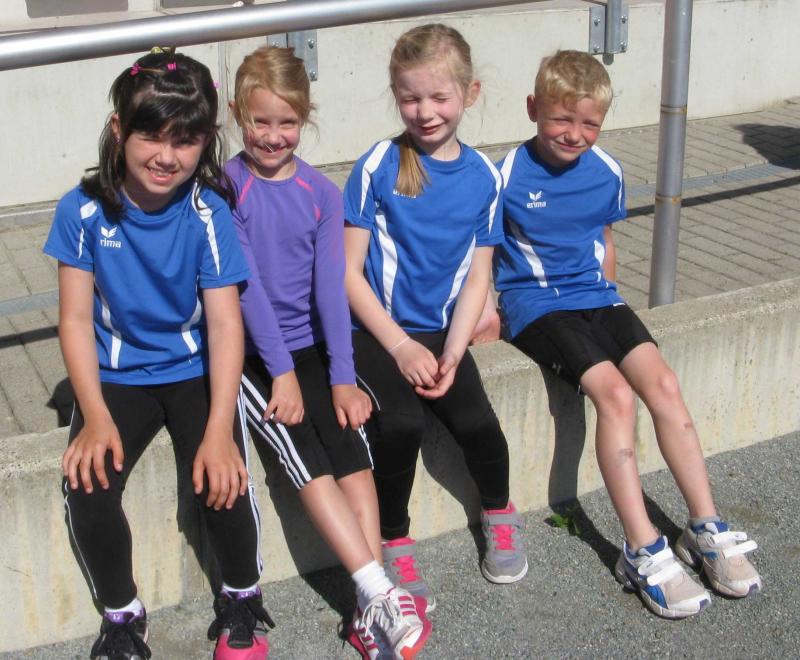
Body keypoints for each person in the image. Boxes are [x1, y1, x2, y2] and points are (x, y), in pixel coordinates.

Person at [491, 49, 761, 619]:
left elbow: (605, 240)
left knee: (662, 384)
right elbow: (481, 253)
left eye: (589, 123)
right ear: (533, 108)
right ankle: (642, 548)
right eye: (561, 119)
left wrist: (611, 303)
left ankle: (704, 526)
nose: (575, 134)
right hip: (536, 305)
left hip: (596, 297)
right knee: (614, 394)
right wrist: (485, 316)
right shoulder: (505, 175)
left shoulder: (608, 171)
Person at [43, 50, 273, 660]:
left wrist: (219, 430)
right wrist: (94, 416)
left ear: (205, 142)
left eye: (186, 140)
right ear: (119, 128)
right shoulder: (81, 210)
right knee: (87, 486)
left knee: (224, 479)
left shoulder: (208, 212)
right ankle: (122, 615)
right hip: (117, 377)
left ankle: (241, 596)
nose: (166, 156)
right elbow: (74, 320)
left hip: (194, 370)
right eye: (151, 135)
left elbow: (224, 324)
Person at [226, 46, 430, 659]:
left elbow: (329, 291)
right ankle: (378, 590)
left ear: (306, 118)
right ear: (238, 115)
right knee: (306, 457)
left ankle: (371, 609)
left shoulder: (319, 191)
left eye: (287, 122)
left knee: (352, 449)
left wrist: (343, 376)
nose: (273, 136)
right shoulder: (227, 187)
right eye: (260, 121)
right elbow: (246, 290)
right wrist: (282, 374)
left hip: (311, 345)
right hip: (254, 355)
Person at [343, 23, 529, 612]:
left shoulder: (483, 178)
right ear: (396, 96)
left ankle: (499, 512)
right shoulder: (377, 165)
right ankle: (394, 538)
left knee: (477, 423)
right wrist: (401, 347)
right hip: (376, 330)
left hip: (442, 332)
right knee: (400, 425)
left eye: (439, 97)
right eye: (410, 98)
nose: (425, 112)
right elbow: (347, 275)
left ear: (470, 93)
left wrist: (453, 348)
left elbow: (478, 275)